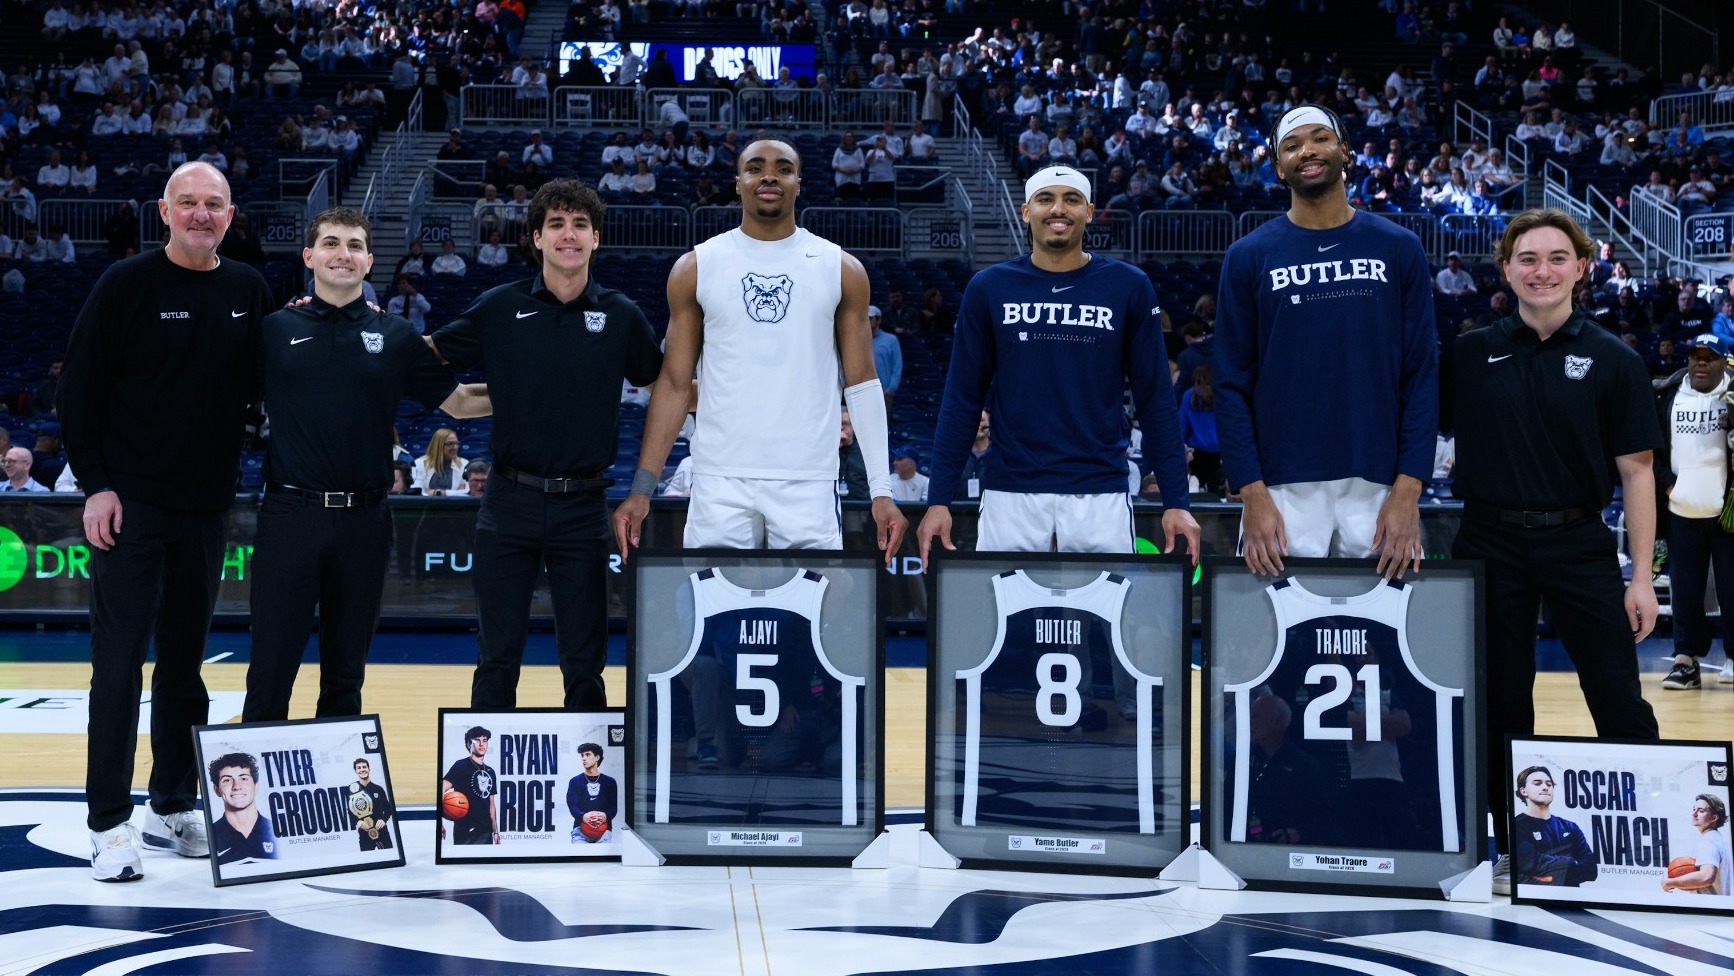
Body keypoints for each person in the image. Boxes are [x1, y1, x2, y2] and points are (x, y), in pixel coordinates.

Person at [60, 162, 271, 882]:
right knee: (118, 667)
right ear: (164, 211)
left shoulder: (249, 289)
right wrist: (96, 486)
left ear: (231, 215)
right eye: (188, 203)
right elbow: (78, 391)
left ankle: (173, 802)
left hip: (206, 508)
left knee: (185, 667)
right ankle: (107, 823)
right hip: (130, 507)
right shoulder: (125, 284)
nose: (201, 214)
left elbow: (268, 385)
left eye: (213, 204)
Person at [1445, 208, 1662, 895]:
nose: (1543, 271)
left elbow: (1638, 472)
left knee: (1617, 696)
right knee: (1500, 703)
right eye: (1528, 259)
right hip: (1488, 539)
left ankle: (1649, 842)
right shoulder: (1467, 356)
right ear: (1506, 271)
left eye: (1557, 258)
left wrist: (1642, 576)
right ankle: (1514, 847)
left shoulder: (1614, 359)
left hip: (1578, 541)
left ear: (1582, 268)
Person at [240, 207, 490, 723]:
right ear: (309, 256)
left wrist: (540, 388)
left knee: (346, 672)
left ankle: (338, 774)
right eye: (331, 243)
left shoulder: (395, 336)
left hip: (366, 520)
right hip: (290, 515)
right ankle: (254, 771)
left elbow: (461, 403)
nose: (343, 254)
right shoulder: (273, 330)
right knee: (270, 668)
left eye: (355, 245)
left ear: (370, 261)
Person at [430, 179, 663, 711]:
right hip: (508, 500)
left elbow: (668, 390)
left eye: (580, 224)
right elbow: (427, 355)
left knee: (585, 661)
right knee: (496, 655)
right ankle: (486, 762)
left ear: (596, 238)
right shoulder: (500, 306)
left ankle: (591, 764)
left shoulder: (621, 314)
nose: (568, 234)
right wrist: (363, 326)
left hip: (582, 504)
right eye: (556, 224)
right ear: (536, 237)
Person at [614, 139, 905, 559]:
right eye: (755, 168)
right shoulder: (697, 266)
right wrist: (643, 488)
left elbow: (861, 384)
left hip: (808, 480)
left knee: (810, 602)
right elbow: (675, 385)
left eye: (783, 168)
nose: (769, 176)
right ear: (738, 182)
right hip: (719, 478)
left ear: (799, 183)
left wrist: (881, 490)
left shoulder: (840, 268)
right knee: (716, 601)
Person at [917, 166, 1201, 564]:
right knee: (1004, 605)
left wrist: (1176, 501)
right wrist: (938, 499)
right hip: (1010, 491)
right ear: (1025, 211)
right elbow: (962, 399)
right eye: (1045, 199)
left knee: (1104, 605)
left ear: (1089, 212)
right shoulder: (989, 287)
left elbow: (1155, 399)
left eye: (1071, 199)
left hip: (1100, 491)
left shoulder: (1128, 285)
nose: (1058, 209)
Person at [1216, 105, 1437, 579]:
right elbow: (1230, 383)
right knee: (1270, 623)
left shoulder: (1399, 247)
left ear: (1345, 152)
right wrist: (1251, 492)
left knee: (1379, 625)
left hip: (1379, 481)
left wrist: (1409, 488)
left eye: (1320, 138)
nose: (1308, 151)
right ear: (1279, 167)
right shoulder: (1248, 256)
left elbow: (1421, 372)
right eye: (1292, 145)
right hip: (1281, 484)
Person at [1654, 334, 1734, 692]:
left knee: (1732, 589)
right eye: (1695, 356)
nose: (1700, 362)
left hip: (1729, 512)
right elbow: (1651, 448)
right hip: (1681, 508)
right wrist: (1670, 487)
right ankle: (1686, 660)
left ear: (1724, 363)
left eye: (1709, 357)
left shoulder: (1732, 395)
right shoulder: (1666, 395)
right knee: (1685, 591)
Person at [1510, 765, 1596, 889]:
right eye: (1537, 783)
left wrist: (1551, 873)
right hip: (1534, 897)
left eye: (1549, 784)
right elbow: (1530, 864)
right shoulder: (1516, 826)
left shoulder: (1570, 827)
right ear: (1523, 791)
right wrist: (1572, 862)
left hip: (1569, 897)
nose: (1545, 787)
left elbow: (1591, 869)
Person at [207, 753, 279, 864]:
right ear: (217, 790)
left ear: (256, 786)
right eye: (227, 780)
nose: (236, 786)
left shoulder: (279, 833)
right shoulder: (209, 836)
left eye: (244, 779)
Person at [441, 726, 500, 845]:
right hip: (465, 830)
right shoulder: (461, 766)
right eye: (477, 740)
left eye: (484, 740)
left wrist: (495, 831)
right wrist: (439, 822)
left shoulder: (490, 772)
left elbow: (491, 805)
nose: (481, 744)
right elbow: (441, 788)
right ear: (469, 744)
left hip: (485, 832)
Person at [1663, 794, 1730, 895]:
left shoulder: (1709, 841)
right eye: (1694, 809)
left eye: (1701, 811)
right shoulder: (1718, 839)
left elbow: (1706, 877)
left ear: (1714, 818)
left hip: (1708, 903)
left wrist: (1669, 882)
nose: (1694, 814)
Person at [565, 741, 618, 844]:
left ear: (597, 757)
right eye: (582, 755)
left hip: (603, 832)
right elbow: (572, 806)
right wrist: (583, 816)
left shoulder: (609, 782)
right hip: (580, 831)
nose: (584, 758)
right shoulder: (575, 781)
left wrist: (604, 816)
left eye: (588, 755)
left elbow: (613, 808)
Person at [348, 757, 394, 852]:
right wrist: (357, 822)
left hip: (382, 831)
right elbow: (349, 812)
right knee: (367, 858)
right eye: (359, 768)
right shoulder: (352, 790)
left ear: (369, 769)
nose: (362, 769)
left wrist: (383, 819)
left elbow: (388, 809)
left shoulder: (378, 789)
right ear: (355, 771)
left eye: (364, 767)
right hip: (364, 833)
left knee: (388, 856)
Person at [413, 428, 467, 494]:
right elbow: (416, 491)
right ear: (438, 446)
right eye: (450, 444)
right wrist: (456, 492)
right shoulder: (419, 463)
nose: (455, 447)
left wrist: (437, 493)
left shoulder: (464, 464)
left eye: (457, 443)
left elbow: (467, 491)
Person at [870, 305, 901, 410]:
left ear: (878, 320)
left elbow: (897, 366)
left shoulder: (891, 340)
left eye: (870, 318)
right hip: (865, 394)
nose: (866, 322)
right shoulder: (860, 340)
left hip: (884, 393)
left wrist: (891, 389)